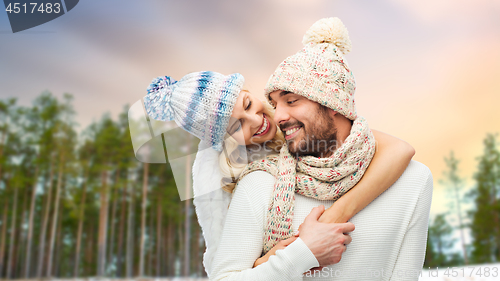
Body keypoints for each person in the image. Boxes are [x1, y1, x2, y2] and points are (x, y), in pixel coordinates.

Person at [209, 17, 433, 280]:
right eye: (274, 103)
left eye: (291, 101)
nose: (277, 116)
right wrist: (300, 254)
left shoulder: (413, 180)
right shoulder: (259, 184)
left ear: (332, 103)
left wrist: (336, 214)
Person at [143, 70, 413, 276]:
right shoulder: (228, 179)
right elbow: (227, 266)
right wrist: (284, 255)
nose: (257, 121)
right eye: (235, 127)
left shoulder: (296, 121)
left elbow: (399, 150)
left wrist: (334, 217)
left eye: (248, 105)